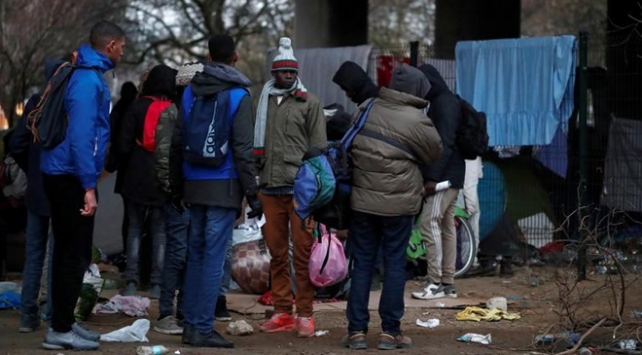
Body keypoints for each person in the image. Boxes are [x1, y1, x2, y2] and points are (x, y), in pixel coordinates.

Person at [337, 64, 442, 350]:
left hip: (363, 203)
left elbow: (351, 145)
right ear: (418, 90)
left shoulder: (367, 107)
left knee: (362, 266)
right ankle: (390, 332)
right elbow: (434, 152)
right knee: (395, 265)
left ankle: (356, 331)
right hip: (400, 205)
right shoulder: (417, 120)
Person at [171, 34, 261, 348]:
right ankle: (203, 327)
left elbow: (177, 139)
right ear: (235, 56)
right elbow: (243, 149)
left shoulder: (190, 92)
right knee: (213, 259)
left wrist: (176, 185)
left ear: (209, 57)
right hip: (223, 184)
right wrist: (252, 194)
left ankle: (190, 324)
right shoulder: (239, 94)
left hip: (193, 183)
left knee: (195, 255)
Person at [39, 20, 125, 350]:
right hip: (70, 176)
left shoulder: (84, 72)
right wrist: (89, 185)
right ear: (111, 46)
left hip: (62, 172)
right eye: (122, 46)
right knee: (73, 255)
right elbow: (81, 137)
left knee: (67, 251)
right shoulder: (89, 80)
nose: (122, 51)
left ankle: (64, 321)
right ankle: (60, 328)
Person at [253, 37, 326, 338]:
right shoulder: (263, 102)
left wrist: (316, 189)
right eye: (284, 72)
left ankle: (305, 314)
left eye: (293, 72)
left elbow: (319, 150)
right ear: (274, 73)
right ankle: (283, 311)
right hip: (269, 187)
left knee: (303, 255)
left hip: (300, 191)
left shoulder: (310, 102)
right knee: (277, 253)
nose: (289, 76)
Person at [10, 58, 64, 332]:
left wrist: (31, 168)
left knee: (34, 255)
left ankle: (28, 316)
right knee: (57, 256)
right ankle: (54, 316)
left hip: (36, 189)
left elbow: (16, 142)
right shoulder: (68, 104)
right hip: (60, 187)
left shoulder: (34, 103)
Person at [118, 65, 177, 299]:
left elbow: (122, 145)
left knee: (134, 228)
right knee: (160, 230)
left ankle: (131, 280)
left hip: (135, 177)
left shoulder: (136, 107)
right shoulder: (174, 110)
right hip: (162, 179)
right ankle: (156, 284)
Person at [153, 62, 203, 335]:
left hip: (191, 196)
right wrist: (173, 193)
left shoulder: (192, 114)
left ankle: (182, 312)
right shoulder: (172, 115)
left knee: (187, 255)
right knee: (176, 255)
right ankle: (165, 313)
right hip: (178, 198)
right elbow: (163, 158)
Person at [411, 63, 466, 301]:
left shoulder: (442, 103)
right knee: (445, 226)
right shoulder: (447, 100)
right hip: (454, 174)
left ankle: (433, 282)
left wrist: (432, 178)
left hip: (444, 176)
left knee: (428, 222)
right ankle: (447, 283)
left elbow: (443, 143)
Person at [331, 60, 383, 291]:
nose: (347, 94)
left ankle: (364, 276)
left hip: (371, 178)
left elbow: (351, 141)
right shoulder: (375, 100)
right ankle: (369, 274)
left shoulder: (370, 105)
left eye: (346, 89)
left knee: (366, 230)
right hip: (382, 178)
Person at [105, 81, 138, 255]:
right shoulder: (134, 110)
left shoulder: (117, 110)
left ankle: (128, 254)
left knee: (130, 217)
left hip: (123, 168)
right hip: (135, 165)